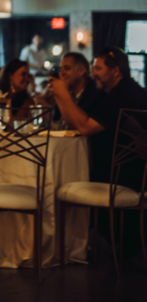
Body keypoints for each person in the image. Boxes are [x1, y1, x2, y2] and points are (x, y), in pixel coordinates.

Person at [49, 46, 147, 256]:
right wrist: (59, 96)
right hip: (122, 170)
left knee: (62, 183)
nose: (93, 74)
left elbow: (85, 128)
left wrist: (64, 94)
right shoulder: (116, 91)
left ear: (116, 70)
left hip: (126, 176)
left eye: (98, 69)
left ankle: (62, 247)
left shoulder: (124, 93)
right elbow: (77, 123)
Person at [50, 52, 98, 124]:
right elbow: (56, 125)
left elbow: (84, 126)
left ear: (81, 71)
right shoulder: (66, 92)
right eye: (61, 69)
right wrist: (58, 95)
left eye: (67, 68)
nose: (61, 73)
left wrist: (64, 93)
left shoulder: (96, 95)